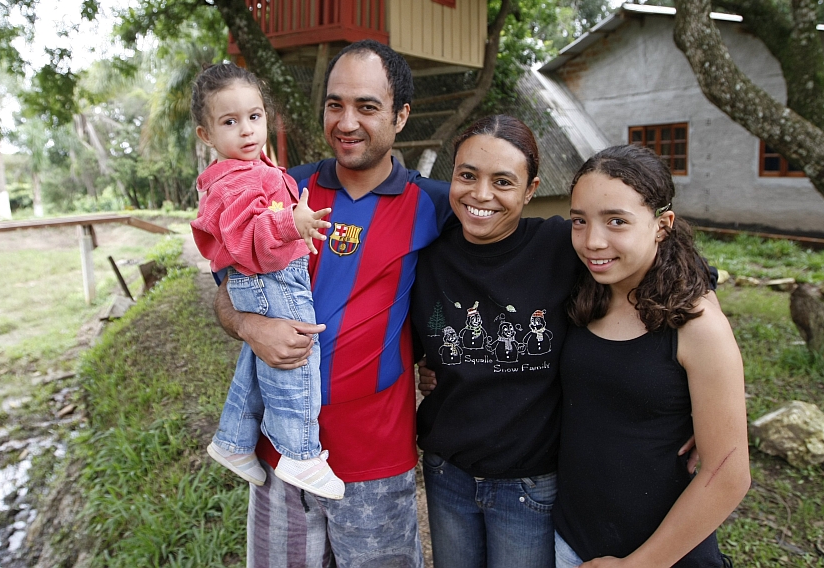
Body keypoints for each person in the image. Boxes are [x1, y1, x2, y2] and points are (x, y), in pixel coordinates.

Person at [214, 41, 452, 568]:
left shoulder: (434, 205)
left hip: (376, 459)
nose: (347, 122)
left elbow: (489, 278)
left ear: (401, 115)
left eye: (367, 107)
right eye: (334, 104)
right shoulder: (278, 189)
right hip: (281, 453)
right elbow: (225, 293)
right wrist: (250, 326)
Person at [554, 144, 749, 567]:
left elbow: (729, 474)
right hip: (570, 541)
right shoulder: (585, 286)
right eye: (579, 221)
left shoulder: (698, 325)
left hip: (664, 555)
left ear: (663, 225)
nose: (593, 241)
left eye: (617, 221)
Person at [411, 115, 582, 568]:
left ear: (530, 190)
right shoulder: (427, 258)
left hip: (529, 482)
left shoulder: (561, 245)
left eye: (503, 181)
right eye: (467, 175)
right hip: (448, 472)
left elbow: (660, 264)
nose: (480, 195)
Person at [190, 63, 345, 499]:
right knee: (297, 354)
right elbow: (245, 234)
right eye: (229, 121)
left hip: (263, 276)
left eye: (254, 117)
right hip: (271, 276)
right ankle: (301, 452)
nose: (246, 131)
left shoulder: (252, 169)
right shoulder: (238, 177)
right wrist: (289, 224)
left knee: (259, 363)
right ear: (207, 135)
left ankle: (234, 440)